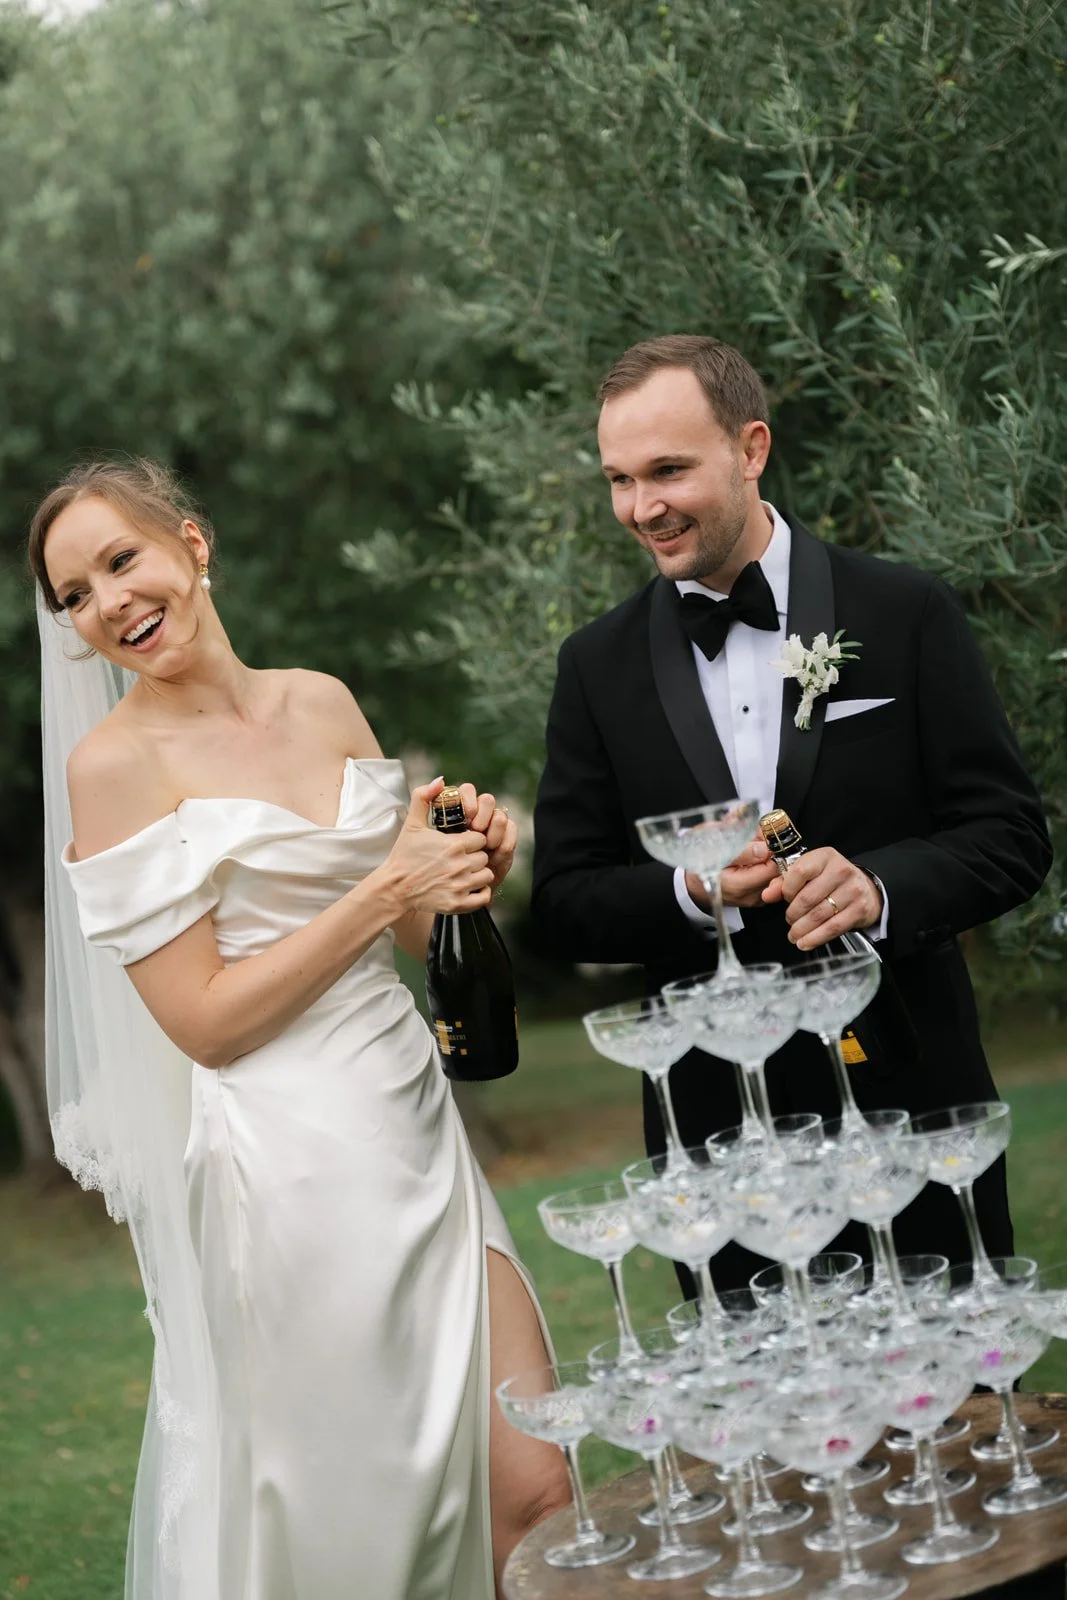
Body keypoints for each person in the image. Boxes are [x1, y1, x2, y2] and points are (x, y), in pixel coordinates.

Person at [31, 458, 568, 1600]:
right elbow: (205, 1024)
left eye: (121, 560)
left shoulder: (320, 699)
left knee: (537, 1489)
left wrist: (460, 868)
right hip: (289, 1172)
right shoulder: (111, 768)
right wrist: (382, 891)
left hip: (415, 1123)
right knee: (365, 1536)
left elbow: (418, 931)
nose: (108, 603)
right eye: (75, 594)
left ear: (191, 544)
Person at [532, 334, 1053, 1295]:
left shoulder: (905, 612)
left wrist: (879, 887)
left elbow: (1011, 836)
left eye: (668, 471)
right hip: (717, 1135)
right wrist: (691, 893)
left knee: (953, 1375)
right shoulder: (595, 666)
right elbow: (563, 902)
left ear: (751, 448)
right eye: (618, 480)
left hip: (911, 1104)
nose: (641, 508)